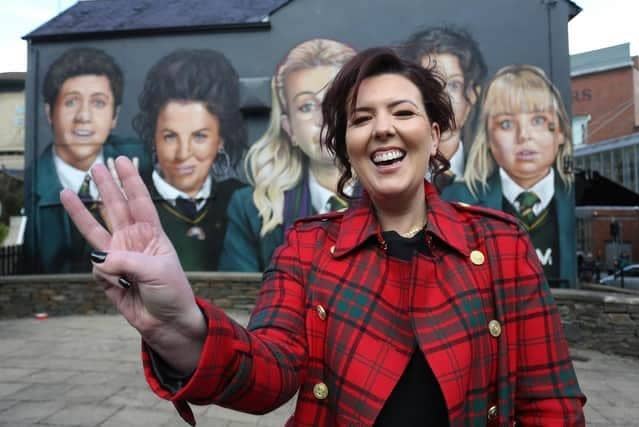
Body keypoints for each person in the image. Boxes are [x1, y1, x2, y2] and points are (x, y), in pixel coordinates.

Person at [61, 48, 585, 426]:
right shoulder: (306, 247)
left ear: (435, 132)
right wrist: (183, 327)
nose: (382, 128)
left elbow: (550, 404)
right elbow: (270, 371)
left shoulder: (500, 244)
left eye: (403, 112)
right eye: (361, 119)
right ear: (347, 146)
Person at [218, 39, 356, 272]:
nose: (323, 119)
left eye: (336, 100)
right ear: (289, 128)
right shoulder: (250, 209)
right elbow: (239, 303)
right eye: (306, 106)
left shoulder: (404, 197)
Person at [442, 64, 576, 288]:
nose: (524, 136)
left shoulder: (573, 195)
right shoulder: (456, 200)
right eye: (506, 124)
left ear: (561, 131)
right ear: (488, 137)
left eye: (538, 120)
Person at [24, 47, 149, 273]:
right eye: (71, 102)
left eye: (98, 103)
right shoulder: (29, 186)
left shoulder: (144, 164)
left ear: (115, 116)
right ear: (49, 112)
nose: (84, 116)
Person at [132, 49, 247, 271]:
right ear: (153, 137)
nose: (183, 153)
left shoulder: (241, 203)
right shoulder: (129, 203)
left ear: (221, 139)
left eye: (200, 136)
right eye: (170, 136)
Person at [401, 26, 487, 190]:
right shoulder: (388, 173)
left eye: (454, 85)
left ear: (472, 95)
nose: (441, 97)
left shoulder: (490, 177)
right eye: (429, 84)